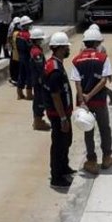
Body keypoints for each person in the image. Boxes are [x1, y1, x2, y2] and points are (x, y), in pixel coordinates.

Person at [72, 28, 112, 175]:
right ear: (97, 43)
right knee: (105, 129)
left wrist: (83, 99)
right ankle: (107, 157)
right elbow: (104, 80)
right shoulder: (103, 58)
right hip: (100, 101)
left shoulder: (76, 60)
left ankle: (91, 160)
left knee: (88, 131)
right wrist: (91, 95)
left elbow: (77, 82)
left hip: (85, 104)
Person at [43, 31, 76, 187]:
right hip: (58, 115)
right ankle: (57, 177)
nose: (68, 50)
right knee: (59, 144)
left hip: (63, 113)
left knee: (66, 141)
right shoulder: (54, 69)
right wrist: (63, 118)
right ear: (61, 48)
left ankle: (64, 167)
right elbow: (56, 96)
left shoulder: (56, 64)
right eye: (66, 47)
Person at [84, 24, 112, 105]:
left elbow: (105, 60)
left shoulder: (101, 48)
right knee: (95, 85)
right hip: (92, 68)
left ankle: (105, 94)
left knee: (98, 85)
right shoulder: (86, 47)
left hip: (96, 69)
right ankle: (108, 93)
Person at [28, 27, 51, 131]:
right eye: (40, 39)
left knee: (38, 100)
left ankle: (37, 120)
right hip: (39, 80)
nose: (41, 41)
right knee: (40, 100)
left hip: (36, 79)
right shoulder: (37, 52)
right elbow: (40, 68)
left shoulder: (34, 50)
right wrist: (44, 78)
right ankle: (38, 121)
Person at [16, 16, 34, 99]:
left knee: (21, 75)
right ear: (25, 25)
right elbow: (30, 47)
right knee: (29, 75)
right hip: (27, 57)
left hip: (21, 57)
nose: (30, 25)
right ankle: (29, 94)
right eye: (28, 24)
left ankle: (19, 93)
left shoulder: (18, 34)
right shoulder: (27, 35)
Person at [8, 17, 21, 88]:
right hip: (15, 50)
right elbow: (9, 36)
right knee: (15, 64)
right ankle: (15, 78)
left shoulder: (18, 30)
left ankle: (15, 78)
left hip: (16, 50)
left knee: (15, 64)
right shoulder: (13, 27)